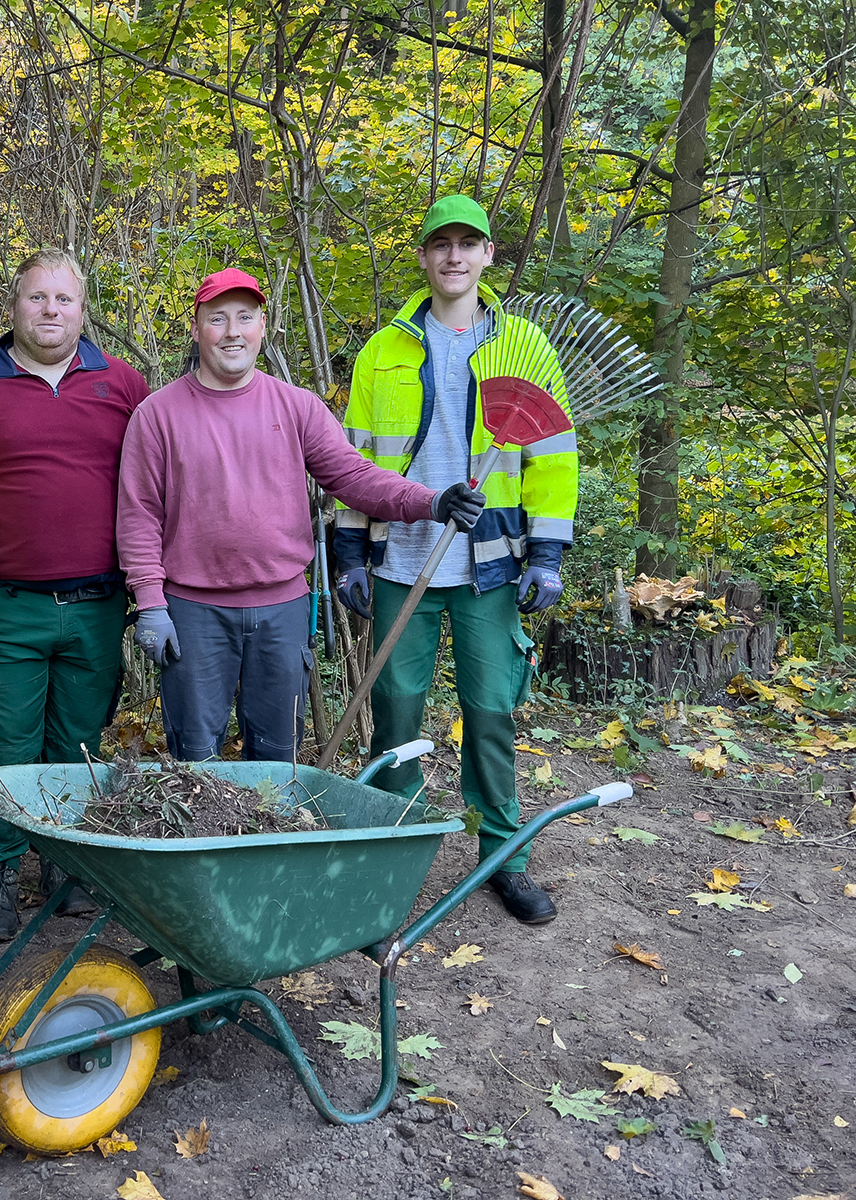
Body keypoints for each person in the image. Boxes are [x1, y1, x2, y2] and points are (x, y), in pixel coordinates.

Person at [116, 267, 482, 764]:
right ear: (197, 329)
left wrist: (431, 502)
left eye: (245, 317)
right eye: (217, 319)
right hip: (193, 613)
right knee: (195, 761)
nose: (232, 332)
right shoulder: (157, 415)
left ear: (262, 327)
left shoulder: (296, 407)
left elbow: (354, 477)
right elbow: (138, 516)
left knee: (276, 757)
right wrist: (151, 604)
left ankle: (272, 819)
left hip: (282, 610)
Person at [334, 195, 579, 926]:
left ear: (488, 255)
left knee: (491, 713)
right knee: (396, 712)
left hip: (489, 568)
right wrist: (349, 549)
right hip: (400, 561)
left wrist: (546, 555)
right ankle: (392, 853)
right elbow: (355, 461)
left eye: (468, 244)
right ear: (424, 256)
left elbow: (553, 460)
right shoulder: (384, 350)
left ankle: (505, 859)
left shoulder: (524, 347)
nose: (454, 256)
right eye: (441, 243)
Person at [0, 249, 150, 941]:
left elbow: (153, 484)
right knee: (2, 747)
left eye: (63, 299)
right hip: (5, 605)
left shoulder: (123, 384)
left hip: (98, 604)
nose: (50, 310)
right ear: (12, 306)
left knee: (78, 747)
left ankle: (67, 868)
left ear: (83, 309)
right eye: (36, 297)